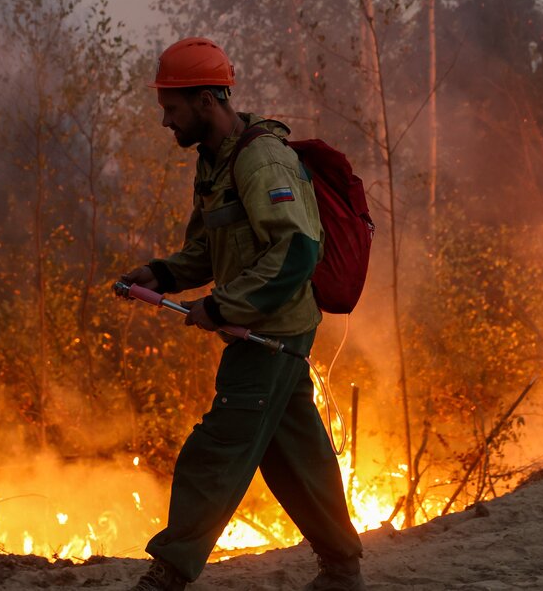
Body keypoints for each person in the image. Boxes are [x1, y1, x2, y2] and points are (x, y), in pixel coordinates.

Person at [118, 37, 365, 591]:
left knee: (217, 449)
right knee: (292, 450)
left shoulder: (261, 160)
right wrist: (159, 275)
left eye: (171, 108)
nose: (165, 121)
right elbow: (209, 250)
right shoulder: (216, 164)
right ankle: (343, 569)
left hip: (270, 331)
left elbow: (297, 250)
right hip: (260, 328)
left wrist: (222, 306)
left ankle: (170, 573)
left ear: (207, 100)